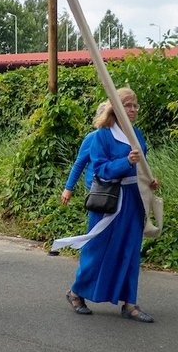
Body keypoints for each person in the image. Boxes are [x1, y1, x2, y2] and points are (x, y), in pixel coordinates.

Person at [63, 88, 160, 322]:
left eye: (135, 105)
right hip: (109, 200)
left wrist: (150, 180)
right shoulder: (101, 136)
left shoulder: (137, 135)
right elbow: (101, 171)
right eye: (128, 105)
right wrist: (125, 161)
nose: (133, 109)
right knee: (97, 249)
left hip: (134, 199)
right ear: (115, 107)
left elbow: (141, 168)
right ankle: (76, 293)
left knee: (130, 250)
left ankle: (130, 304)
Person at [60, 101, 111, 206]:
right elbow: (79, 164)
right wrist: (68, 188)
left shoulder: (120, 137)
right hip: (96, 187)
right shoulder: (92, 138)